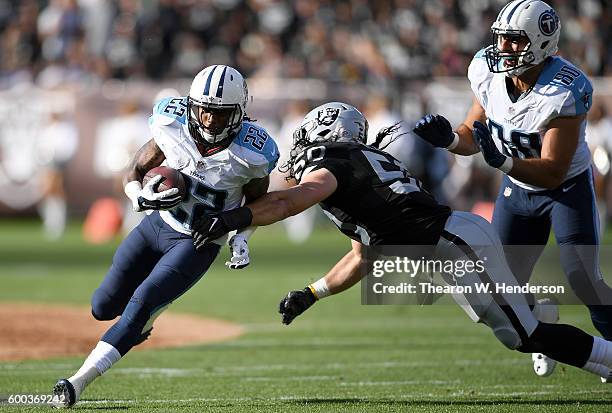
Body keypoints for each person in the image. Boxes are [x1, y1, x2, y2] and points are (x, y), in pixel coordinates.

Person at [190, 101, 612, 385]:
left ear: (327, 131)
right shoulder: (356, 165)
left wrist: (234, 217)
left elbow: (288, 202)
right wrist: (313, 293)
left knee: (524, 336)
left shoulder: (333, 163)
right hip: (451, 243)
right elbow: (364, 254)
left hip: (452, 243)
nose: (300, 144)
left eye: (306, 134)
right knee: (508, 328)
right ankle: (538, 308)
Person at [52, 64, 279, 408]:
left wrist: (241, 237)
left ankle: (77, 382)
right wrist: (137, 197)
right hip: (156, 225)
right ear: (191, 105)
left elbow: (258, 204)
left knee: (140, 304)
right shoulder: (171, 124)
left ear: (238, 114)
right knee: (102, 306)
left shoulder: (252, 153)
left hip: (197, 241)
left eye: (219, 115)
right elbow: (135, 169)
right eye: (203, 111)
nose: (208, 121)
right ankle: (138, 324)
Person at [412, 0, 612, 379]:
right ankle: (547, 328)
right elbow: (473, 133)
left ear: (541, 42)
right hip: (517, 189)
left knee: (585, 281)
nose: (503, 49)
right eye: (501, 39)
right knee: (504, 291)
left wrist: (500, 161)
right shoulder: (487, 71)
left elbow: (553, 171)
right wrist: (450, 140)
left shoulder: (564, 90)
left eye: (515, 41)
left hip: (565, 191)